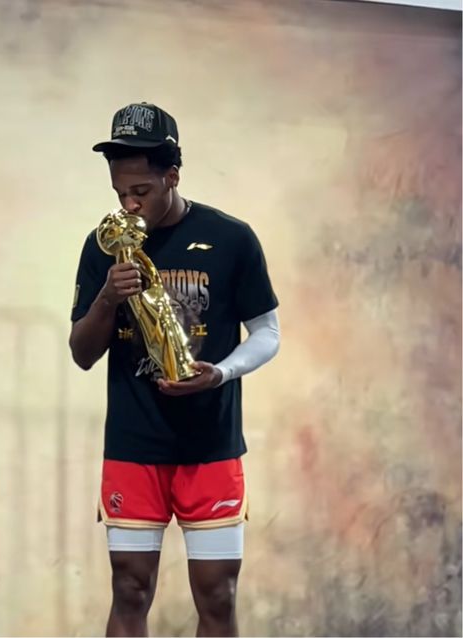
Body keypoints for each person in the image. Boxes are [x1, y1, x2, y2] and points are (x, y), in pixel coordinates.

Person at [69, 102, 280, 637]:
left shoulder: (232, 239)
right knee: (129, 589)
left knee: (217, 596)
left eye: (141, 191)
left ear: (173, 175)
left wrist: (220, 373)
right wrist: (106, 299)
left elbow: (268, 333)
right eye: (120, 193)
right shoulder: (104, 246)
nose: (130, 205)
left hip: (211, 445)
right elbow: (82, 353)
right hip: (134, 445)